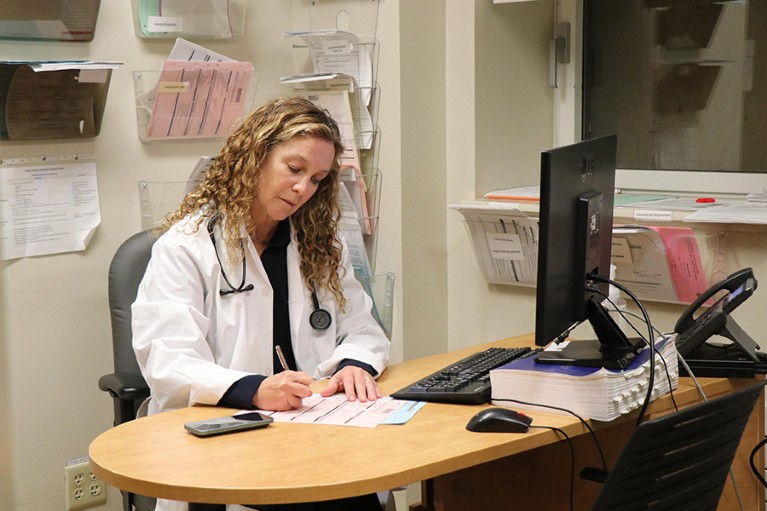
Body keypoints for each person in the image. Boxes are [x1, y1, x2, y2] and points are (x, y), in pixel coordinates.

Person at [132, 97, 391, 511]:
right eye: (294, 169)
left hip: (317, 431)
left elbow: (361, 325)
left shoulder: (320, 245)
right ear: (255, 156)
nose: (304, 188)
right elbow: (167, 360)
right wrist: (253, 390)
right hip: (230, 441)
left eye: (317, 179)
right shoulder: (186, 248)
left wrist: (354, 364)